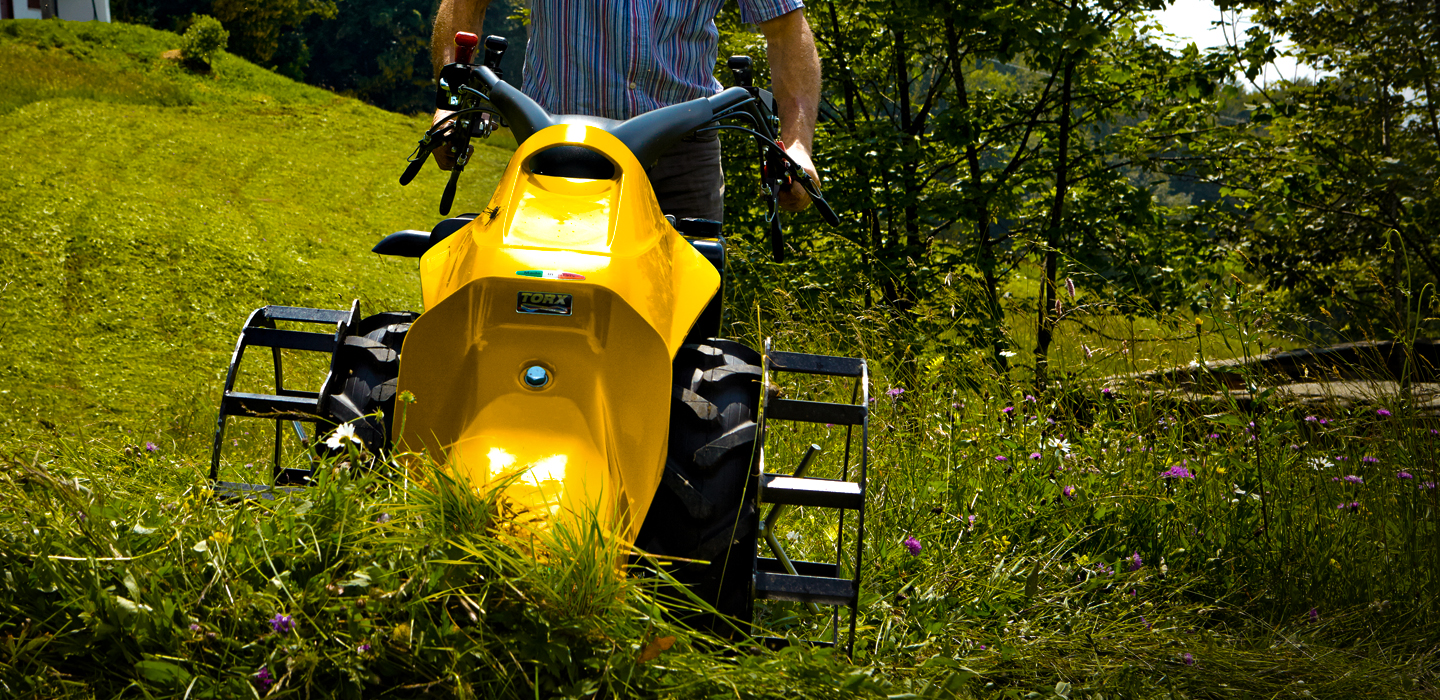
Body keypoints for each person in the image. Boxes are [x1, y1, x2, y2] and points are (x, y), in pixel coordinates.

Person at [429, 0, 821, 220]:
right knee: (547, 294)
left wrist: (797, 145)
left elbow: (786, 31)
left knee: (688, 311)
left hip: (683, 149)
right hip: (561, 144)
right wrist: (449, 105)